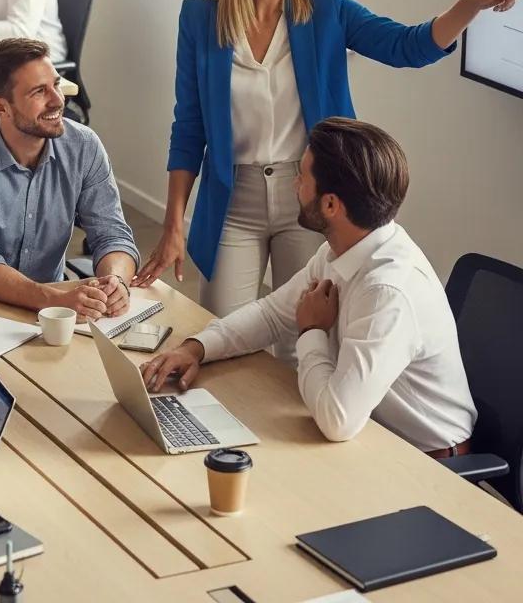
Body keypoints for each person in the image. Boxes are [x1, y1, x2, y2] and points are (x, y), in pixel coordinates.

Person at [134, 0, 523, 325]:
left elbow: (406, 46)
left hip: (313, 196)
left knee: (303, 336)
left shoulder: (325, 4)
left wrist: (469, 5)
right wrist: (173, 225)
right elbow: (188, 128)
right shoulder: (201, 18)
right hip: (233, 201)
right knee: (223, 333)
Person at [140, 118, 478, 457]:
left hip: (426, 460)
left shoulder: (387, 292)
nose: (294, 184)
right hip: (371, 431)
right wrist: (195, 348)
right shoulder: (344, 246)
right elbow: (271, 314)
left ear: (330, 205)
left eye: (301, 176)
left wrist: (312, 330)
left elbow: (337, 421)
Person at [0, 38, 138, 318]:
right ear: (0, 107)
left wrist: (117, 284)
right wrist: (55, 300)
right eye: (39, 92)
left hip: (56, 305)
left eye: (56, 84)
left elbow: (113, 235)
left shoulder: (84, 145)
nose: (57, 100)